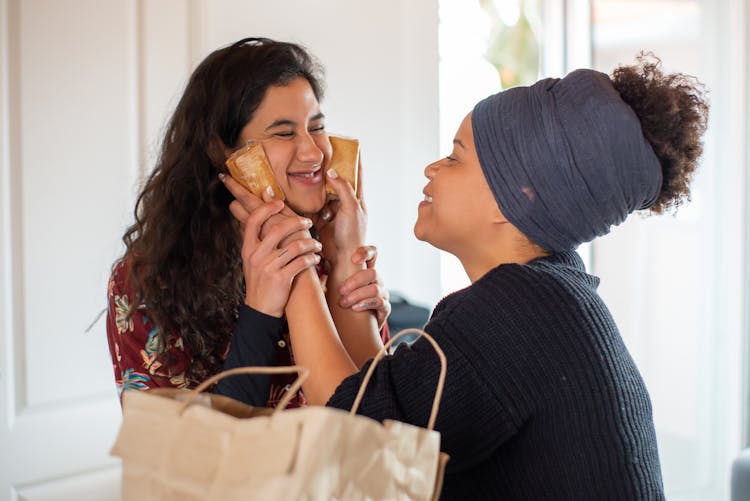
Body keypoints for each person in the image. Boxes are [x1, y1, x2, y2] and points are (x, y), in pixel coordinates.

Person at [220, 53, 708, 499]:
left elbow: (359, 431)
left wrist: (292, 254)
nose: (432, 168)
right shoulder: (551, 295)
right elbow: (398, 418)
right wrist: (344, 254)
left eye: (455, 157)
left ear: (516, 196)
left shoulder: (517, 310)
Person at [105, 37, 391, 408]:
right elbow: (192, 455)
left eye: (316, 127)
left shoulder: (327, 252)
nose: (313, 152)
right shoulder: (147, 280)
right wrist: (260, 312)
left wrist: (345, 268)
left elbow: (378, 421)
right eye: (285, 133)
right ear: (222, 152)